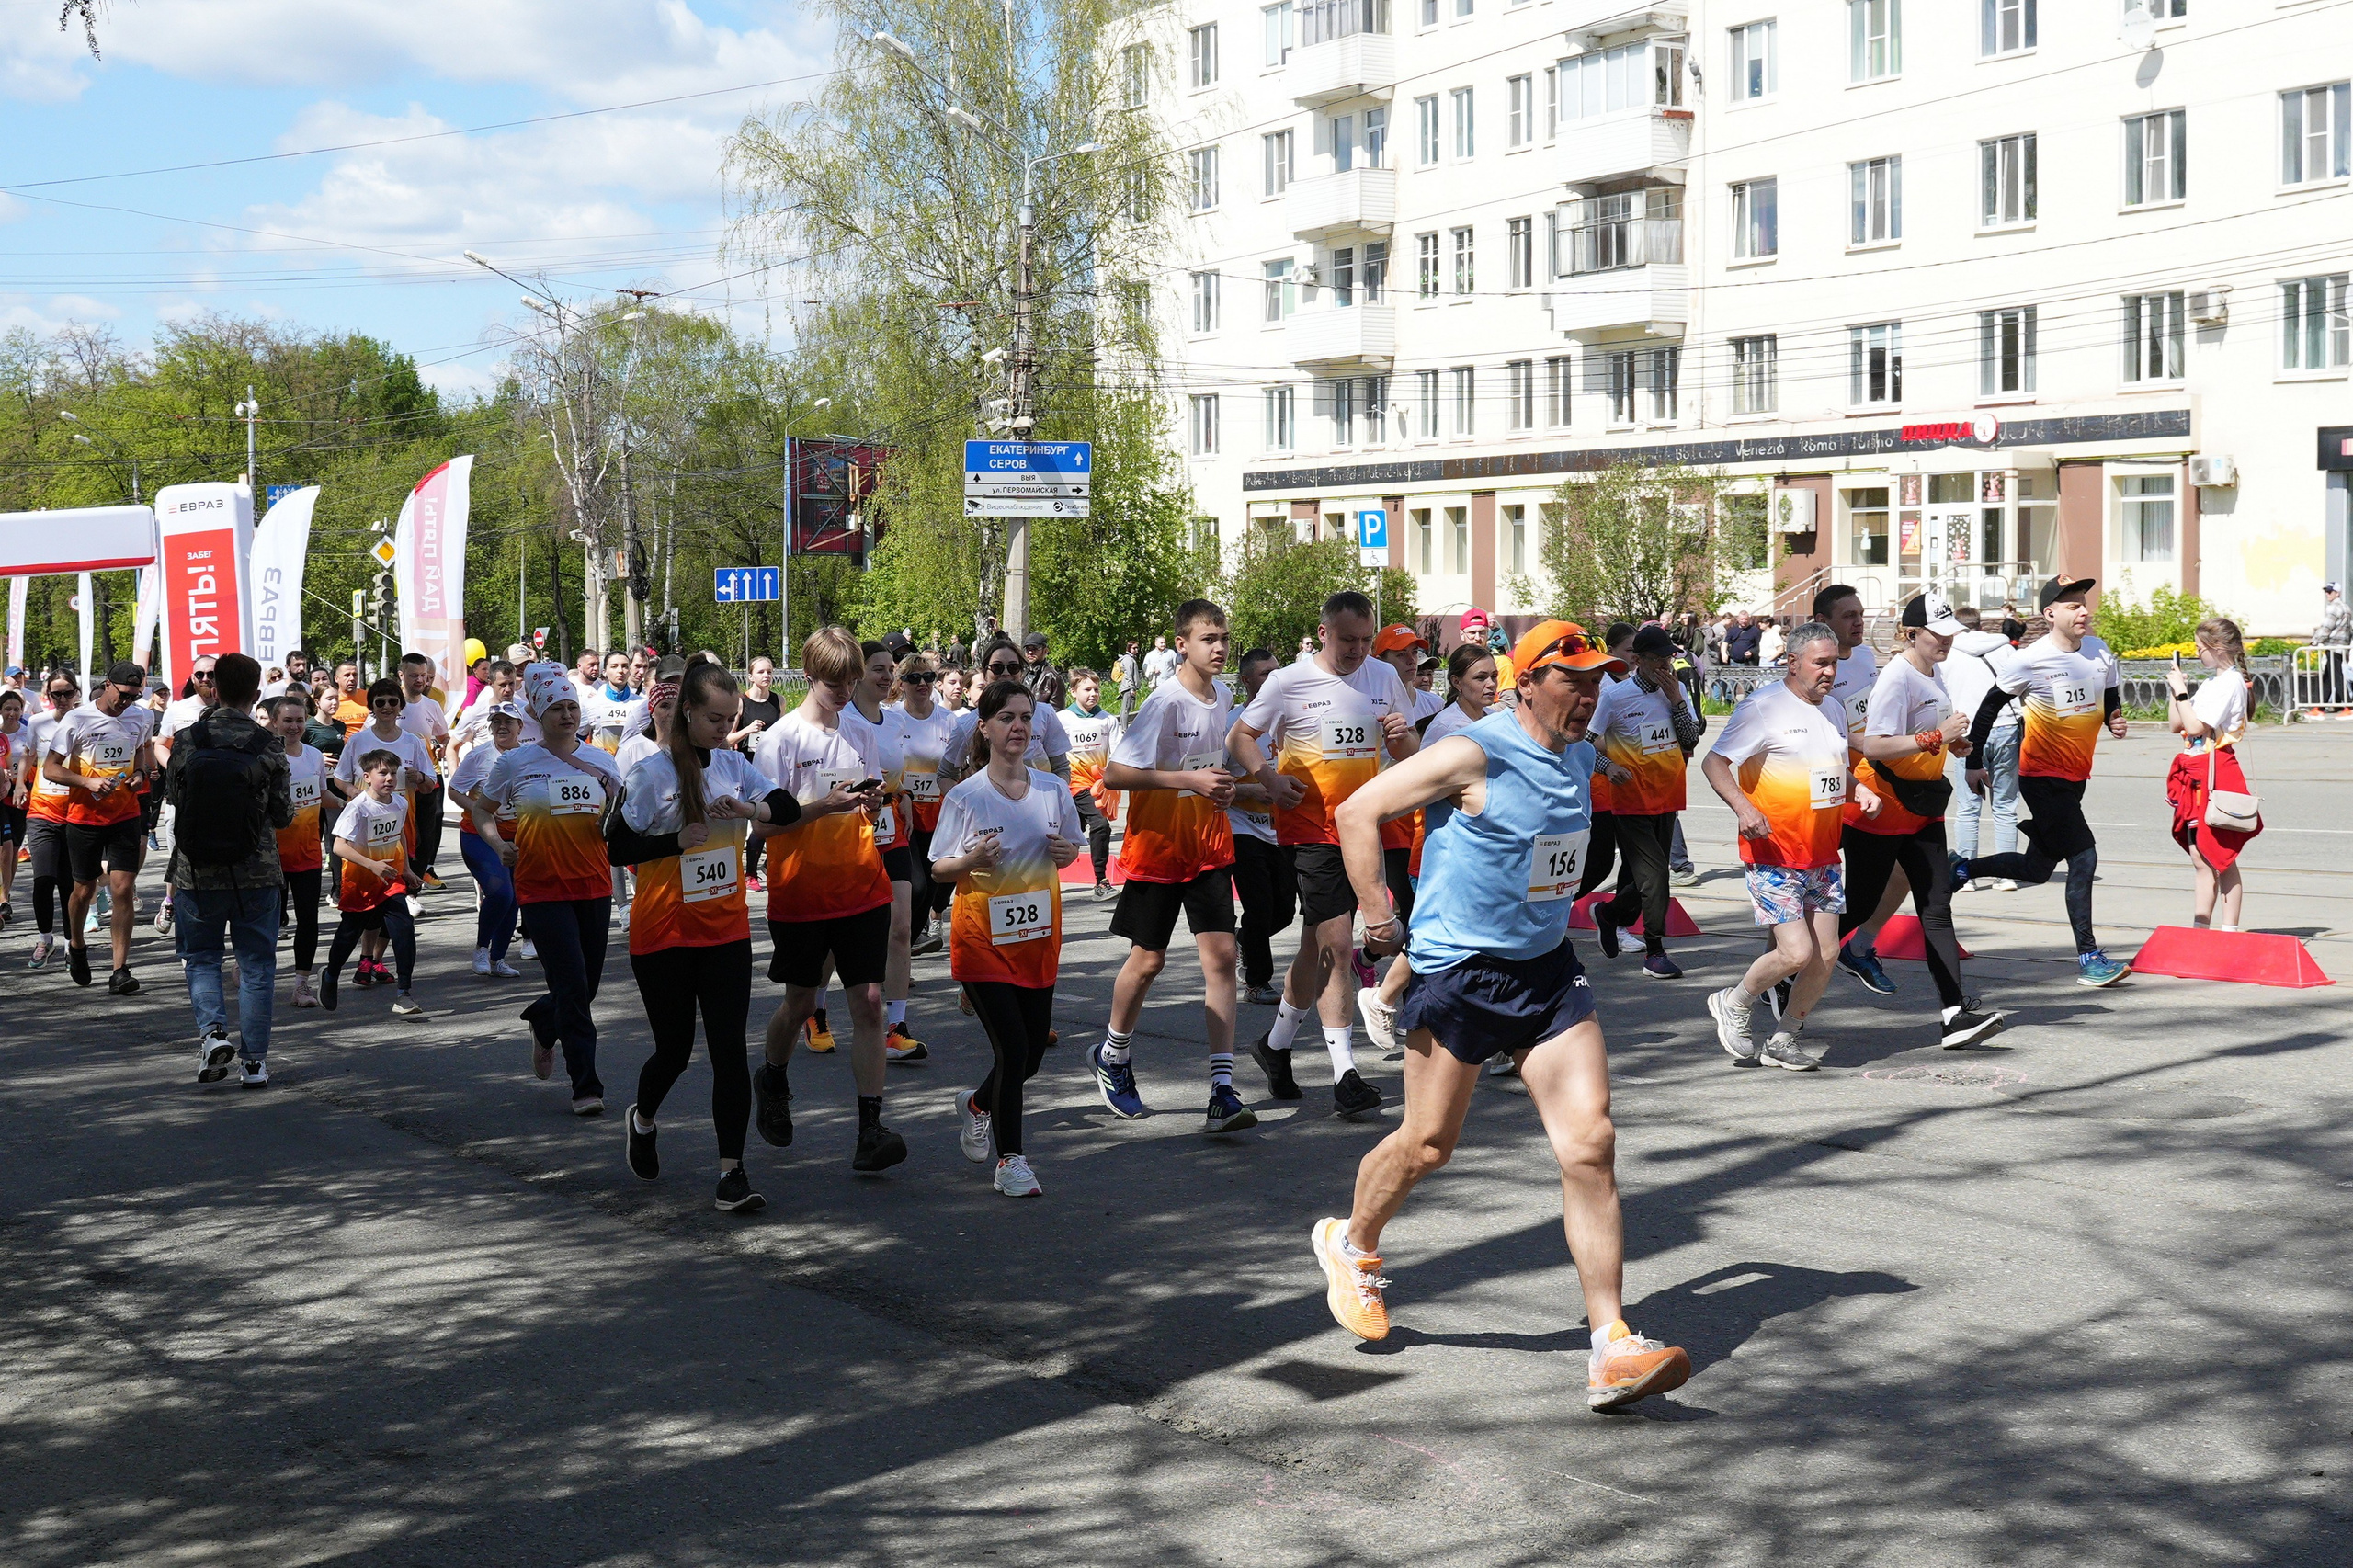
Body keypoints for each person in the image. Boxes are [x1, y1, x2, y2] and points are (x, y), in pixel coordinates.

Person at [1309, 620, 1691, 1411]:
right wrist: (1381, 922)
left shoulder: (1581, 754)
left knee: (1591, 1143)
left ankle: (1611, 1345)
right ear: (1526, 683)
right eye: (1572, 681)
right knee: (1427, 1145)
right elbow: (1357, 814)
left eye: (1597, 682)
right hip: (1461, 976)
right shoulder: (1470, 752)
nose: (1588, 696)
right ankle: (1352, 1242)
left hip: (1547, 973)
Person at [612, 660, 801, 1214]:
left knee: (727, 1053)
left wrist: (751, 808)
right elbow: (617, 850)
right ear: (687, 712)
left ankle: (731, 1173)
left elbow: (786, 808)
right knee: (673, 1050)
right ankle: (643, 1120)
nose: (724, 729)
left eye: (731, 718)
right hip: (664, 932)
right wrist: (673, 841)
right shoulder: (649, 775)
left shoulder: (733, 766)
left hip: (724, 931)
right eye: (715, 719)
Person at [1228, 590, 1418, 1119]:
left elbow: (1407, 755)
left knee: (1317, 942)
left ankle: (1276, 1043)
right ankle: (1345, 1074)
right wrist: (1266, 775)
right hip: (1309, 825)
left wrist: (1402, 738)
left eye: (1365, 640)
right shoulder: (1288, 681)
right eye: (1348, 640)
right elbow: (1240, 735)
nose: (1359, 650)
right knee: (1337, 939)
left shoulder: (1383, 678)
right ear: (1322, 634)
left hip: (1364, 824)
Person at [752, 627, 907, 1173]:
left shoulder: (859, 731)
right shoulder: (781, 739)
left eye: (850, 683)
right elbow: (763, 830)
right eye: (833, 684)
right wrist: (823, 806)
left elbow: (864, 799)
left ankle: (870, 1128)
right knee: (801, 1004)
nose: (844, 693)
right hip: (801, 891)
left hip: (862, 883)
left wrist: (868, 807)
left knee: (868, 1001)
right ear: (809, 675)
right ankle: (771, 1075)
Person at [1096, 599, 1254, 1133]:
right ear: (1181, 644)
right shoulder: (1164, 701)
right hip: (1159, 848)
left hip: (1208, 846)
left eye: (1224, 638)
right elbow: (1117, 775)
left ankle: (1223, 1089)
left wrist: (1237, 789)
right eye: (1209, 638)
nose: (1220, 647)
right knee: (1148, 962)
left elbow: (1213, 771)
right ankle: (1113, 1055)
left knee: (1222, 958)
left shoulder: (1224, 695)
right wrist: (1189, 782)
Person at [932, 679, 1086, 1197]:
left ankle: (977, 1103)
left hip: (1038, 939)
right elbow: (937, 869)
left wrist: (1067, 852)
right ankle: (1012, 1161)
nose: (1017, 726)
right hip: (981, 941)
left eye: (1025, 717)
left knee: (1030, 1058)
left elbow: (1071, 845)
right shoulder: (965, 795)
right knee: (1014, 1048)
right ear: (985, 728)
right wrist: (971, 861)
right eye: (1006, 718)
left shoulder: (1052, 789)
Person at [1840, 596, 2008, 1050]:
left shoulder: (1932, 671)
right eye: (1938, 632)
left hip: (1922, 808)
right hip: (1882, 806)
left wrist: (1952, 747)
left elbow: (1916, 739)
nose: (1948, 639)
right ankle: (1788, 968)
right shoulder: (1897, 676)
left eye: (1951, 631)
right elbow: (1875, 745)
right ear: (1910, 633)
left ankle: (1954, 1014)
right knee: (1855, 907)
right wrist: (1937, 736)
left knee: (1936, 907)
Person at [1952, 577, 2131, 987]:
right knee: (2083, 858)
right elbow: (1988, 708)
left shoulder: (2099, 650)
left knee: (2035, 869)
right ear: (2050, 614)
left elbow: (2109, 695)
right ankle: (2088, 956)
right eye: (2071, 605)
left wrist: (2113, 717)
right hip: (2041, 776)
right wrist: (1974, 762)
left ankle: (1960, 870)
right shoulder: (2029, 659)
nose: (2082, 611)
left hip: (2077, 776)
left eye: (2084, 603)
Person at [1699, 624, 1854, 1071]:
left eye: (1834, 663)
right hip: (1773, 850)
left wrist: (1857, 789)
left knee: (1826, 955)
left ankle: (1784, 1037)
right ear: (1792, 661)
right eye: (1820, 663)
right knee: (1795, 953)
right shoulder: (1762, 707)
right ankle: (1734, 1001)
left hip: (1822, 853)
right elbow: (1715, 761)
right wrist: (1744, 810)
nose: (1829, 671)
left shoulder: (1835, 710)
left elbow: (1833, 771)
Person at [474, 665, 624, 1112]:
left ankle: (543, 1018)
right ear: (539, 713)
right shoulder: (515, 761)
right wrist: (499, 842)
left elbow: (619, 817)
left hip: (594, 885)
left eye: (572, 707)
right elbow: (483, 811)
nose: (566, 715)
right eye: (556, 708)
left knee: (586, 985)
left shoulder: (603, 761)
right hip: (541, 888)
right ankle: (586, 1087)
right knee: (574, 988)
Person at [1358, 640, 1500, 1060]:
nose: (1491, 684)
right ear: (1456, 683)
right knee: (1441, 936)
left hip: (1481, 849)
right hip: (1440, 849)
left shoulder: (1492, 720)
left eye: (1493, 676)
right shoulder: (1444, 728)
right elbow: (1423, 792)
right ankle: (1382, 998)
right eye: (1480, 677)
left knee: (1480, 938)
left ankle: (1502, 1041)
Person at [163, 653, 293, 1086]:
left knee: (201, 959)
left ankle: (213, 1033)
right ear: (256, 695)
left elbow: (177, 799)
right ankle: (253, 1062)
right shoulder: (267, 744)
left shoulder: (187, 739)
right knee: (256, 965)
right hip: (256, 870)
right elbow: (283, 814)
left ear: (214, 687)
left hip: (195, 871)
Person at [1585, 624, 1700, 982]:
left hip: (1668, 797)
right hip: (1631, 800)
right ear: (1638, 660)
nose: (1665, 666)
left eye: (1669, 658)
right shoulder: (1616, 697)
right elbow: (1585, 743)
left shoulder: (1676, 690)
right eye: (1657, 659)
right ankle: (1655, 950)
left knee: (1646, 878)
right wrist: (1609, 766)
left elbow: (1690, 740)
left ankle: (1609, 915)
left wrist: (1678, 702)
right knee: (1656, 877)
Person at [42, 659, 155, 994]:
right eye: (123, 695)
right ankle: (77, 946)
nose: (127, 702)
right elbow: (50, 769)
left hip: (124, 814)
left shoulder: (142, 716)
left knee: (122, 889)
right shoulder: (77, 719)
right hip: (84, 817)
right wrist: (86, 782)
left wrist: (139, 776)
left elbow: (140, 761)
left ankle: (120, 970)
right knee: (84, 890)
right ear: (107, 685)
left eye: (134, 697)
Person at [840, 640, 927, 1062]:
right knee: (833, 931)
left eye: (890, 669)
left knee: (900, 924)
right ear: (857, 674)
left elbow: (895, 772)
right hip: (848, 830)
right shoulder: (839, 719)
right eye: (878, 668)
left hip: (890, 827)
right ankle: (814, 1011)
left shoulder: (893, 721)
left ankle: (896, 1026)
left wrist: (905, 792)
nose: (886, 676)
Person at [2165, 618, 2260, 929]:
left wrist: (2182, 693)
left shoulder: (2230, 682)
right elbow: (2177, 725)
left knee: (2221, 856)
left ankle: (2228, 930)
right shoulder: (2211, 683)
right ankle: (2201, 929)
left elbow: (2195, 726)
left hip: (2215, 772)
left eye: (2200, 648)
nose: (2196, 653)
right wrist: (2174, 691)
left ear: (2217, 649)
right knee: (2199, 857)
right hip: (2197, 770)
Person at [320, 748, 422, 1016]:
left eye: (393, 773)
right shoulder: (358, 807)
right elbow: (339, 846)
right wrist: (371, 865)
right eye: (382, 773)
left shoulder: (400, 803)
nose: (389, 778)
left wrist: (407, 870)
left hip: (390, 881)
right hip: (360, 881)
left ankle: (404, 994)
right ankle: (330, 975)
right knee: (348, 935)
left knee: (404, 929)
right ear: (366, 777)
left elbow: (399, 835)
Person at [1225, 647, 1293, 1008]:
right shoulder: (1231, 723)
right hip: (1242, 830)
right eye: (1265, 674)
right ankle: (1258, 981)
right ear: (1246, 680)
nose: (1273, 680)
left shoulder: (1289, 719)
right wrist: (1252, 790)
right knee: (1260, 906)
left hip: (1280, 830)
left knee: (1284, 910)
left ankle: (1242, 940)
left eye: (1277, 672)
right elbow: (1212, 783)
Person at [1942, 606, 2022, 890]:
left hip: (1967, 733)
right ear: (1979, 624)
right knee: (2005, 805)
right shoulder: (2005, 650)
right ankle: (2007, 874)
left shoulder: (1947, 654)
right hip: (2006, 730)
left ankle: (1965, 876)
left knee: (1968, 806)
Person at [447, 699, 527, 979]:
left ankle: (499, 958)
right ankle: (482, 948)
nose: (502, 727)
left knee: (515, 898)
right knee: (501, 893)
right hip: (478, 835)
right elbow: (454, 791)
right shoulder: (479, 756)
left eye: (508, 722)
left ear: (521, 726)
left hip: (518, 838)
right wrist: (481, 810)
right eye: (497, 723)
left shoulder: (531, 755)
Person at [267, 693, 330, 1009]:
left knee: (309, 920)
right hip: (271, 855)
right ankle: (248, 965)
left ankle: (301, 985)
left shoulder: (314, 756)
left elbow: (322, 796)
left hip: (307, 853)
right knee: (269, 919)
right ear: (275, 722)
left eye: (299, 720)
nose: (294, 727)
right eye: (288, 720)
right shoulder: (264, 757)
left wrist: (357, 804)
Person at [893, 653, 957, 955]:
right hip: (903, 816)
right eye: (914, 678)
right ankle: (901, 945)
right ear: (901, 682)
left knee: (932, 884)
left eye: (928, 678)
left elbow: (961, 766)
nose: (922, 684)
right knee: (915, 886)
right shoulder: (892, 718)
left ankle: (902, 953)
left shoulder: (947, 719)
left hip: (940, 816)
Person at [20, 673, 79, 969]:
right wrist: (20, 783)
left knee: (69, 884)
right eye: (56, 694)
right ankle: (45, 939)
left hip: (75, 813)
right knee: (43, 880)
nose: (62, 699)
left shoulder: (86, 722)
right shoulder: (38, 722)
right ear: (47, 695)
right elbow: (29, 756)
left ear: (76, 693)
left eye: (67, 693)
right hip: (42, 811)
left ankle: (71, 943)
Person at [396, 653, 453, 891]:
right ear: (401, 675)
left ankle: (414, 886)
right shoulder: (391, 703)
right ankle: (400, 884)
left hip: (426, 778)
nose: (421, 681)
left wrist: (441, 748)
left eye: (424, 676)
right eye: (414, 676)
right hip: (396, 782)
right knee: (402, 834)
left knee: (426, 835)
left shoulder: (431, 705)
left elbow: (444, 736)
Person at [1061, 669, 1120, 896]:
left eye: (1096, 689)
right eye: (1087, 690)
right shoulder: (1061, 719)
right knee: (1081, 832)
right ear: (1073, 691)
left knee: (1092, 829)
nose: (1093, 694)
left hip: (1099, 788)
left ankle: (1100, 881)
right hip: (1072, 785)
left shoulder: (1108, 720)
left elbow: (1117, 753)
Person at [0, 687, 28, 930]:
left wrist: (19, 778)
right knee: (4, 847)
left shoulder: (28, 733)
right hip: (2, 795)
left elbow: (36, 760)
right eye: (8, 709)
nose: (12, 714)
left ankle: (5, 893)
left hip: (21, 795)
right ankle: (4, 899)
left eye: (16, 709)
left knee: (15, 847)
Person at [2313, 583, 2349, 710]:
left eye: (2330, 591)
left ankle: (2348, 706)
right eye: (2326, 592)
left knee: (2337, 676)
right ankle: (2319, 707)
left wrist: (2315, 641)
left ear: (2337, 593)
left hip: (2333, 646)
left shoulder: (2334, 608)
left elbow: (2326, 627)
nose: (2327, 594)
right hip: (2342, 646)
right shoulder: (2346, 607)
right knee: (2328, 677)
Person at [328, 663, 369, 738]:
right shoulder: (330, 700)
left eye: (354, 675)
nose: (352, 679)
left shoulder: (369, 697)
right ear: (336, 679)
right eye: (347, 675)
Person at [1113, 640, 1142, 721]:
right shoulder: (1128, 659)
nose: (1136, 650)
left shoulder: (1131, 659)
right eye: (1134, 648)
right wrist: (1132, 688)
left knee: (1128, 708)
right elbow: (1129, 675)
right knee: (1126, 708)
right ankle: (1124, 729)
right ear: (1129, 648)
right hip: (1127, 687)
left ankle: (1124, 727)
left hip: (1129, 687)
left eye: (1137, 648)